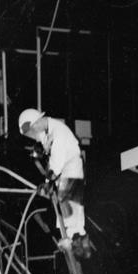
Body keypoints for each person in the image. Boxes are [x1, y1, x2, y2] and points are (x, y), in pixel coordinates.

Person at [18, 108, 90, 257]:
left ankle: (72, 240)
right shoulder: (48, 131)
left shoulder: (58, 132)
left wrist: (47, 181)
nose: (34, 135)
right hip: (66, 170)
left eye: (33, 130)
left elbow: (56, 163)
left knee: (68, 205)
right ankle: (80, 242)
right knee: (70, 207)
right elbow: (45, 147)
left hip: (70, 169)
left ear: (36, 122)